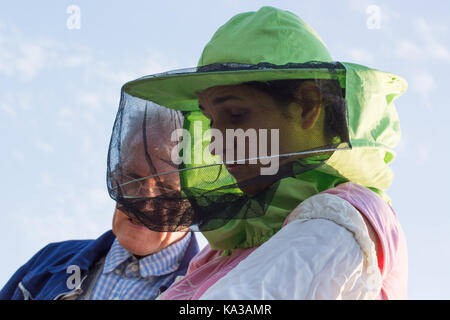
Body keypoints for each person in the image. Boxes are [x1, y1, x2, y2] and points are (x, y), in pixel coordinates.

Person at [117, 6, 409, 299]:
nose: (216, 146)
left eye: (235, 115)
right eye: (211, 121)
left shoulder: (336, 224)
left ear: (307, 106)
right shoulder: (243, 243)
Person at [0, 101, 199, 300]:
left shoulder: (211, 292)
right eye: (132, 179)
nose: (142, 204)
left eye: (166, 191)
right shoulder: (48, 263)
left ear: (200, 202)